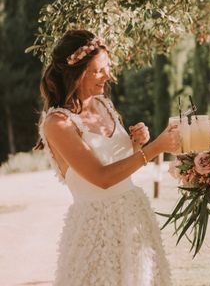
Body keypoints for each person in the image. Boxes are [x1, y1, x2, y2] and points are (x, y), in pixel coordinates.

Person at [37, 29, 180, 286]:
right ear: (76, 73)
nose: (107, 76)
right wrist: (155, 149)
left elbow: (118, 165)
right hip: (96, 230)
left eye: (108, 68)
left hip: (134, 218)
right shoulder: (57, 123)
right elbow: (101, 178)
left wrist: (137, 144)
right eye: (98, 70)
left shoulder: (103, 104)